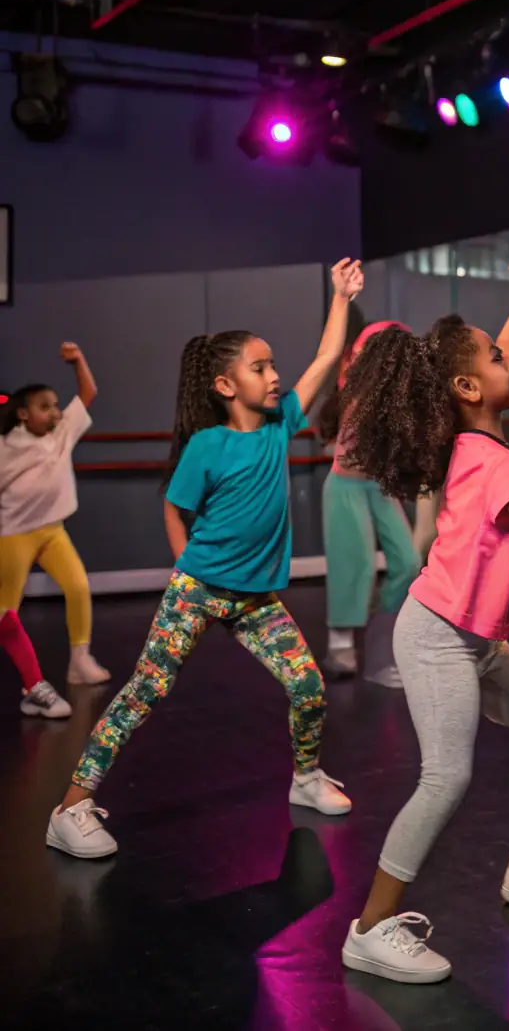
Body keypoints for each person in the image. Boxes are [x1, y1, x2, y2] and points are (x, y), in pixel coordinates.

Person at [339, 254, 509, 986]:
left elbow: (507, 352)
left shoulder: (468, 435)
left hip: (477, 640)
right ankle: (368, 928)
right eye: (496, 358)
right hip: (436, 637)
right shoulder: (492, 462)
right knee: (446, 776)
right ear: (465, 387)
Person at [45, 258, 364, 860]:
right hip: (198, 589)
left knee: (309, 687)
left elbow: (324, 360)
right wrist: (181, 569)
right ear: (225, 385)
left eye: (273, 365)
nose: (275, 375)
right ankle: (69, 809)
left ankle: (305, 776)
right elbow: (174, 508)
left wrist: (341, 297)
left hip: (255, 600)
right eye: (260, 366)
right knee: (144, 692)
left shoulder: (278, 425)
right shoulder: (206, 445)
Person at [0, 343, 108, 701]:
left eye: (56, 405)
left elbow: (88, 392)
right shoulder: (5, 447)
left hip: (53, 532)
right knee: (6, 612)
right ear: (21, 415)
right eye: (44, 407)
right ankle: (30, 681)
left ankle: (80, 660)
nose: (55, 413)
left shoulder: (62, 433)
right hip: (14, 536)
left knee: (78, 587)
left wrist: (78, 360)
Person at [317, 321, 422, 683]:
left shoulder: (401, 396)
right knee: (354, 563)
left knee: (408, 562)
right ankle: (340, 645)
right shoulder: (360, 391)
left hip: (379, 487)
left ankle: (382, 637)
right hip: (346, 486)